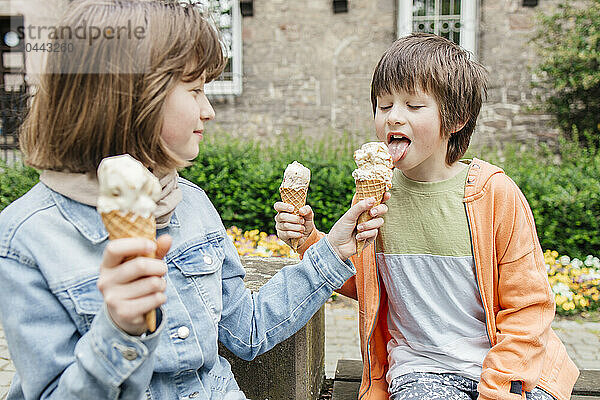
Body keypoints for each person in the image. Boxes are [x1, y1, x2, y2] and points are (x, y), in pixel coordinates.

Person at [0, 1, 390, 399]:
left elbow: (248, 330)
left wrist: (333, 251)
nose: (209, 111)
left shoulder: (192, 204)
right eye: (195, 90)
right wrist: (119, 331)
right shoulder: (28, 239)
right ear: (133, 97)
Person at [274, 33, 579, 400]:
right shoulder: (375, 197)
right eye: (384, 105)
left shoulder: (493, 194)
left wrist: (498, 386)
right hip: (423, 369)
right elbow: (365, 283)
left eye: (413, 105)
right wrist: (309, 239)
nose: (393, 117)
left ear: (456, 118)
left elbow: (528, 305)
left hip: (508, 366)